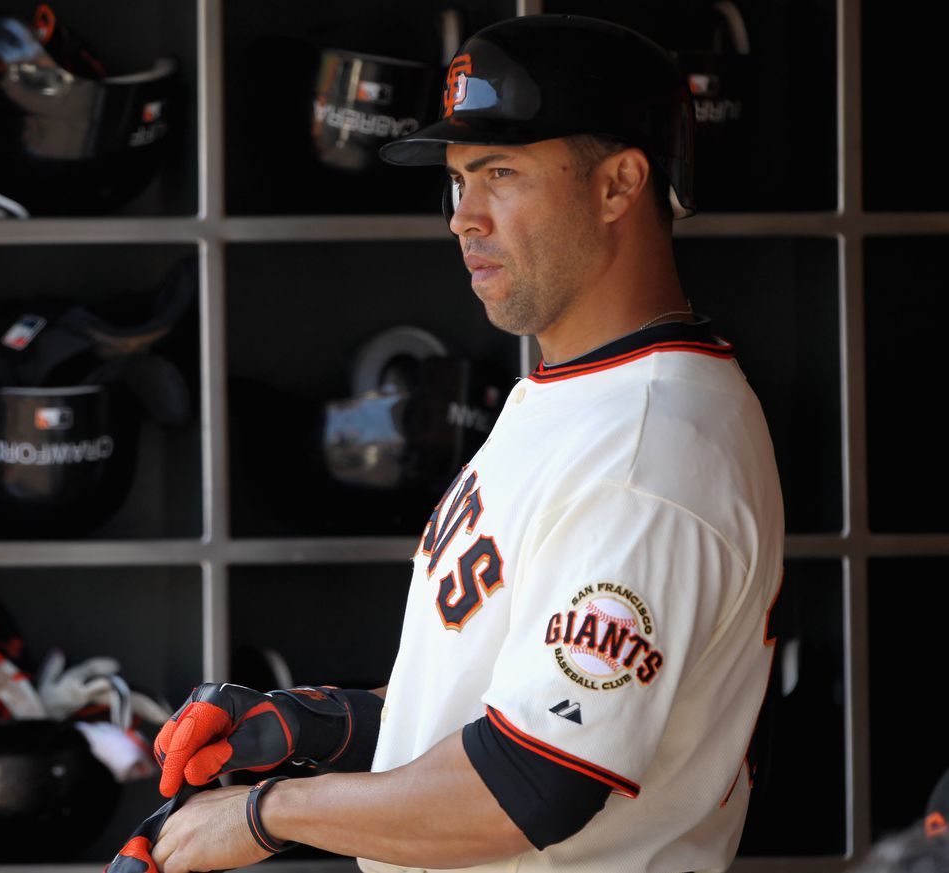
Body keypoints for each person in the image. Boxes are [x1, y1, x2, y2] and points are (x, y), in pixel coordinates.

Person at [136, 14, 785, 873]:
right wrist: (312, 725)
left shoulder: (648, 453)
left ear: (619, 184)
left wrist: (268, 813)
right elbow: (498, 715)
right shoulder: (579, 393)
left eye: (500, 173)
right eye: (456, 180)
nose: (462, 218)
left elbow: (527, 784)